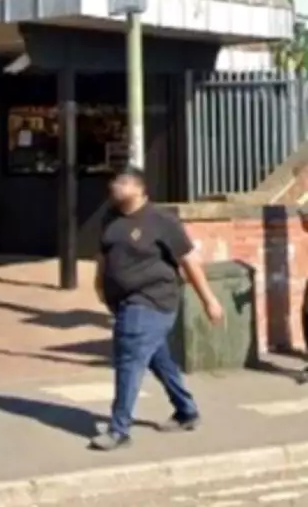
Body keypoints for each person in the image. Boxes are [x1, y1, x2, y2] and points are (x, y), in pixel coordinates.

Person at [90, 165, 224, 451]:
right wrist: (100, 284)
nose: (115, 186)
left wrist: (209, 300)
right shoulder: (110, 218)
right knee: (158, 359)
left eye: (123, 182)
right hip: (123, 303)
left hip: (152, 299)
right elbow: (103, 255)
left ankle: (119, 429)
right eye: (114, 182)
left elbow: (189, 262)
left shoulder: (161, 221)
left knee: (128, 359)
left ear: (140, 189)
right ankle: (187, 411)